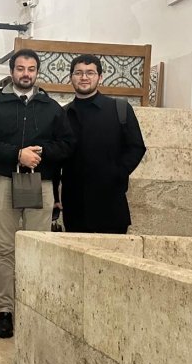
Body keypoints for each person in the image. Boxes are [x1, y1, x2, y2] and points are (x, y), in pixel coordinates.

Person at [0, 48, 75, 339]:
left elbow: (66, 145)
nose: (25, 74)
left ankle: (32, 307)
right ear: (12, 71)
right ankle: (5, 311)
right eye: (20, 68)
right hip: (5, 181)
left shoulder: (51, 107)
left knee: (35, 246)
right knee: (4, 248)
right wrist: (17, 155)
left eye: (31, 69)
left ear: (37, 72)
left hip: (40, 184)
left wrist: (40, 154)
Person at [61, 54, 146, 234]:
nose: (84, 77)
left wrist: (116, 173)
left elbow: (136, 147)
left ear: (100, 77)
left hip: (111, 203)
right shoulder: (63, 114)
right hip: (74, 206)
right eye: (79, 73)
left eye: (90, 73)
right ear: (71, 77)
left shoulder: (119, 109)